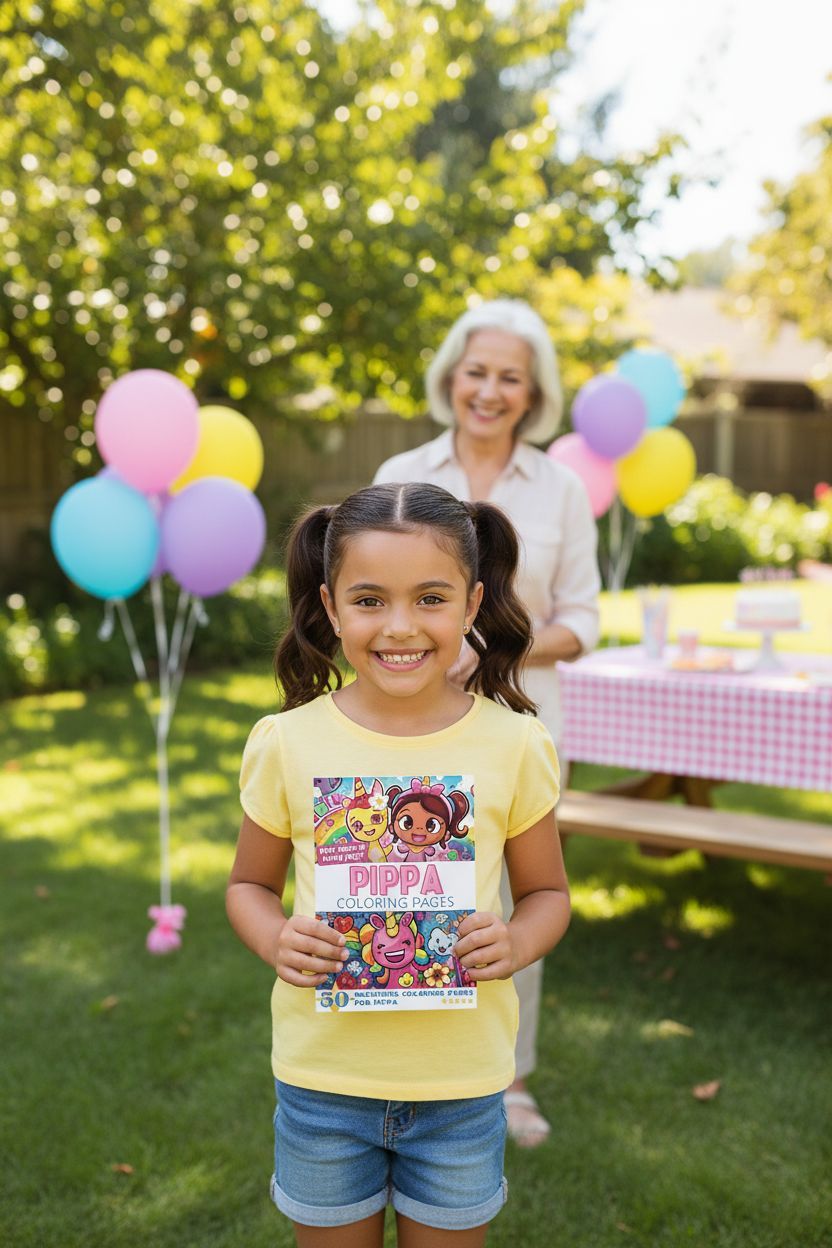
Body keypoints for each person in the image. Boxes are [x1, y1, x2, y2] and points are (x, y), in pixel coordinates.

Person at [227, 482, 570, 1248]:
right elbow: (249, 884)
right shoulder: (286, 742)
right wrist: (273, 936)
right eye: (371, 600)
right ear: (331, 603)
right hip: (324, 1084)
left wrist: (516, 942)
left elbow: (547, 893)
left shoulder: (514, 746)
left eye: (431, 598)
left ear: (474, 605)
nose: (401, 627)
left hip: (462, 1085)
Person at [373, 299, 600, 1148]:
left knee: (510, 900)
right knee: (401, 887)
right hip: (408, 727)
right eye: (478, 371)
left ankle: (508, 1081)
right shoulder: (404, 468)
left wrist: (496, 646)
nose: (490, 390)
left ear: (532, 391)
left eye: (510, 376)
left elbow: (584, 616)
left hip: (519, 725)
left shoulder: (562, 487)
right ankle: (403, 1071)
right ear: (451, 378)